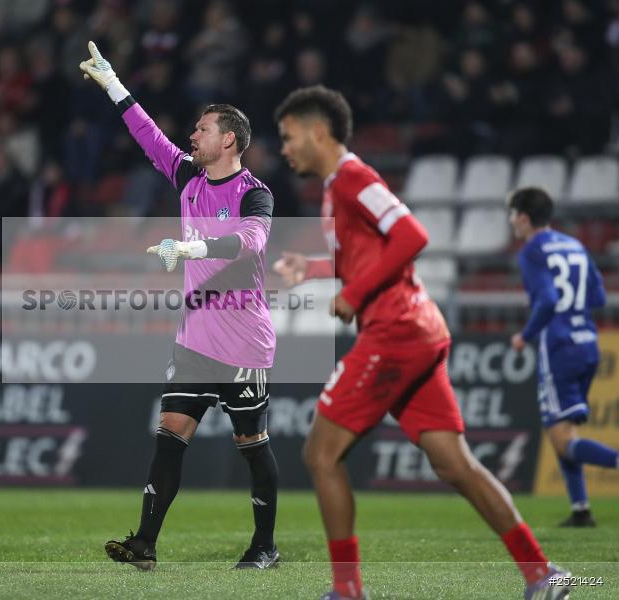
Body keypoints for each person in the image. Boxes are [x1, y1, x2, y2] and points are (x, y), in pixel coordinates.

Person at [272, 85, 569, 600]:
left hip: (395, 331)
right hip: (418, 331)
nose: (284, 147)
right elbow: (366, 254)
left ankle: (347, 591)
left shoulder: (352, 178)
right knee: (456, 465)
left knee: (320, 455)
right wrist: (317, 270)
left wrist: (356, 293)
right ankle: (541, 574)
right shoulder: (336, 188)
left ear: (318, 131)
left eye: (288, 136)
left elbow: (412, 235)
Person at [79, 41, 279, 570]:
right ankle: (144, 543)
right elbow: (149, 136)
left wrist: (193, 247)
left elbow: (251, 243)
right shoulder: (188, 176)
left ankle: (264, 546)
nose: (192, 136)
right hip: (195, 334)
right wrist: (115, 85)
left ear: (229, 139)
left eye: (203, 129)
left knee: (252, 443)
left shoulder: (255, 194)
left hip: (241, 337)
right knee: (170, 437)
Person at [508, 186, 613, 527]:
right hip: (588, 342)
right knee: (561, 429)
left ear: (523, 217)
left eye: (512, 215)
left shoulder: (531, 251)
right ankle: (580, 509)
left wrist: (525, 335)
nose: (512, 223)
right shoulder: (574, 244)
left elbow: (549, 300)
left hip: (560, 346)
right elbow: (597, 295)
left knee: (562, 438)